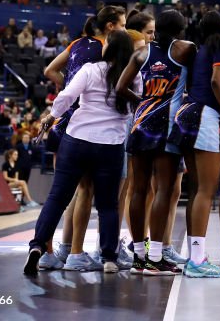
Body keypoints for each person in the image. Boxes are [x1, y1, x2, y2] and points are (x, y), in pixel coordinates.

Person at [24, 30, 140, 276]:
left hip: (76, 140)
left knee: (57, 198)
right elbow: (135, 106)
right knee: (108, 204)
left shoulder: (90, 69)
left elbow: (67, 96)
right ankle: (109, 257)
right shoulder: (134, 76)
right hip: (110, 145)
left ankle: (37, 247)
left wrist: (51, 116)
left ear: (108, 47)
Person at [39, 6, 127, 272]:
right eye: (122, 24)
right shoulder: (109, 54)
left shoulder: (78, 43)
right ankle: (78, 252)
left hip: (66, 125)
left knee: (60, 194)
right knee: (89, 193)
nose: (124, 28)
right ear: (111, 27)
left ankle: (50, 251)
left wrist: (69, 89)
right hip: (97, 133)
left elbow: (49, 71)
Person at [117, 10, 196, 275]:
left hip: (141, 124)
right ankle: (156, 256)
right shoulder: (185, 50)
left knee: (138, 190)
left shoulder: (141, 54)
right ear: (180, 30)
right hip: (167, 127)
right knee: (164, 189)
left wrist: (141, 102)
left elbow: (119, 88)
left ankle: (139, 257)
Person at [167, 11, 220, 278]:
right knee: (207, 190)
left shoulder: (200, 50)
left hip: (186, 113)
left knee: (196, 190)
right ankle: (197, 260)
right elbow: (217, 81)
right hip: (205, 115)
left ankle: (196, 257)